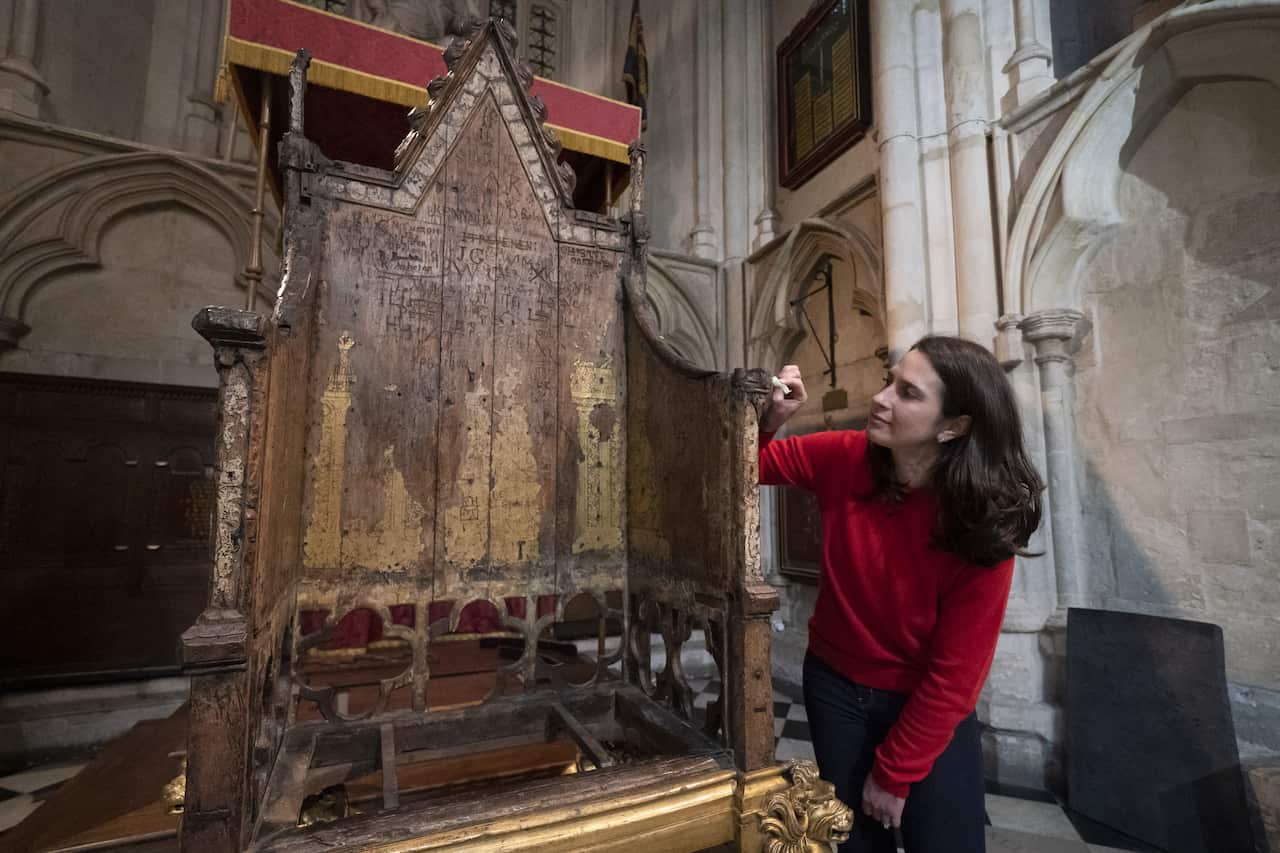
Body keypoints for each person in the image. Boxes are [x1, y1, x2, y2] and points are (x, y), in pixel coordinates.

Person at [759, 336, 1044, 853]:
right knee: (852, 841)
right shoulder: (845, 457)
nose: (882, 398)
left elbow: (956, 676)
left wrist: (893, 775)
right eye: (889, 381)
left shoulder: (983, 521)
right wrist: (770, 421)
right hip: (835, 688)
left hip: (926, 704)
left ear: (955, 425)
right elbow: (746, 467)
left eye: (908, 393)